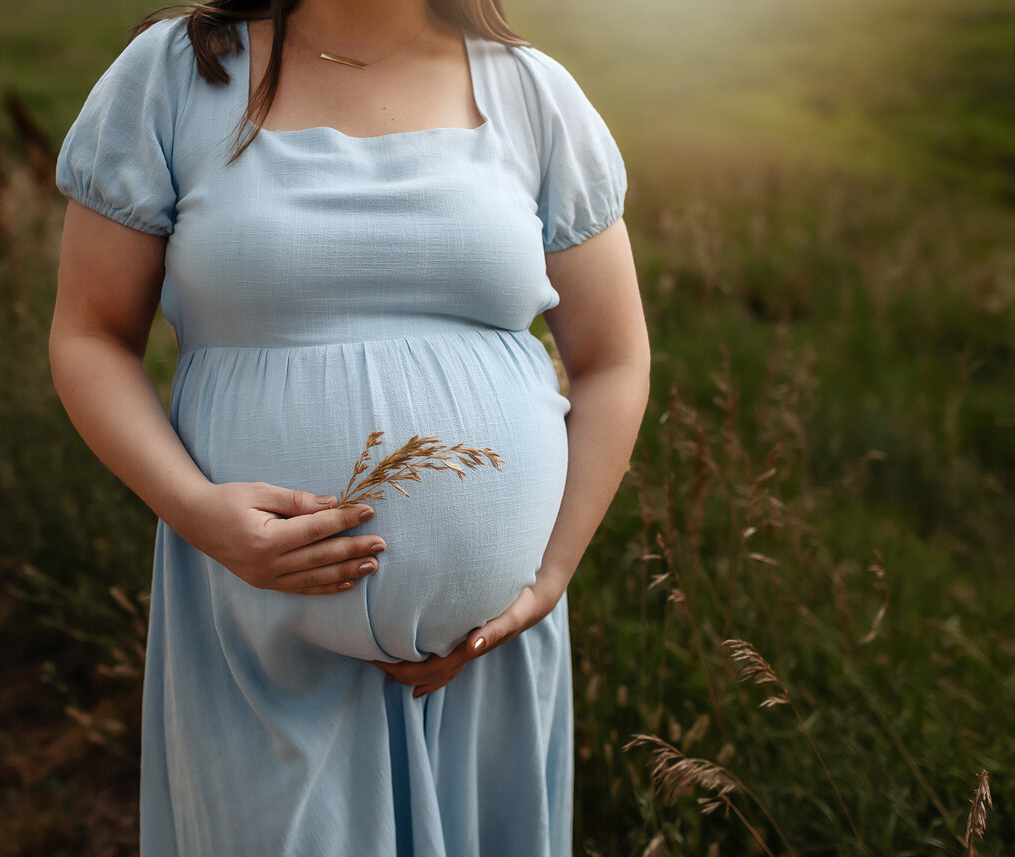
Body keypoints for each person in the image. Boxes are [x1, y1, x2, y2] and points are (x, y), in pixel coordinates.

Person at [49, 0, 650, 853]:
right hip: (255, 631)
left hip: (490, 665)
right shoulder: (180, 75)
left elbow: (614, 360)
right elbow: (90, 335)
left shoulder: (531, 94)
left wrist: (544, 578)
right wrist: (198, 514)